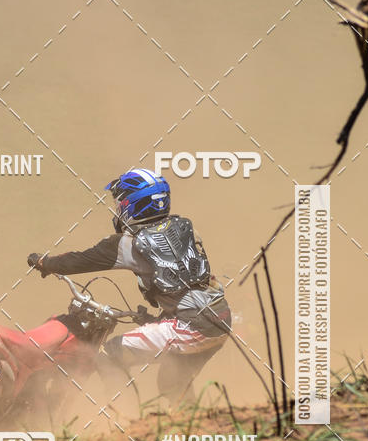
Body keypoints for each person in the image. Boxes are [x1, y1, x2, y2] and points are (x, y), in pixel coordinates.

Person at [27, 170, 231, 403]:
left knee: (108, 355)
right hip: (221, 319)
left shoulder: (127, 244)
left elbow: (76, 260)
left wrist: (45, 262)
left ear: (132, 204)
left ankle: (122, 418)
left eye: (119, 202)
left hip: (192, 327)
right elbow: (190, 286)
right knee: (173, 380)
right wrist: (160, 320)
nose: (117, 209)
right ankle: (194, 429)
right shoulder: (185, 229)